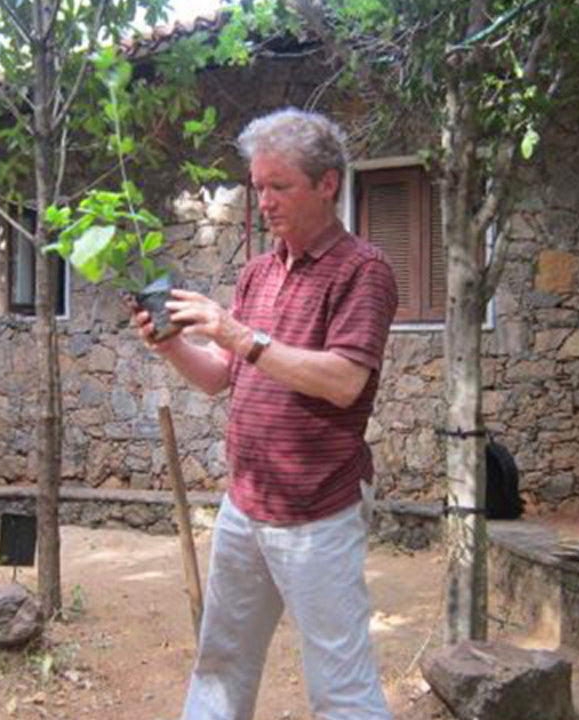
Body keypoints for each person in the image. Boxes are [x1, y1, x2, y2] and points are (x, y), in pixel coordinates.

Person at [132, 108, 399, 720]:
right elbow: (223, 378)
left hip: (318, 509)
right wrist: (172, 343)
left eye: (280, 186)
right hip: (245, 504)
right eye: (258, 187)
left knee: (340, 682)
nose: (265, 203)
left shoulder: (364, 270)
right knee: (220, 662)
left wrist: (237, 334)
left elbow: (343, 381)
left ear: (327, 184)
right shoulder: (258, 272)